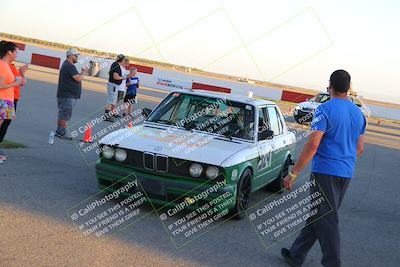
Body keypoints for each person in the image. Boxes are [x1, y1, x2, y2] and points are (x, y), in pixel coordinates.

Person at [281, 70, 366, 267]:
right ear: (348, 88)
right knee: (320, 213)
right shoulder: (358, 113)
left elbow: (312, 145)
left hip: (325, 171)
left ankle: (332, 263)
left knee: (327, 217)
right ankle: (296, 254)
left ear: (331, 86)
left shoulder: (324, 109)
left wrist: (294, 173)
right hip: (346, 172)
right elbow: (359, 149)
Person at [0, 41, 25, 162]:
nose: (17, 55)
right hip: (3, 100)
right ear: (9, 52)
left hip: (7, 101)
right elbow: (0, 85)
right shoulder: (3, 65)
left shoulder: (7, 65)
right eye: (16, 52)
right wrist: (15, 83)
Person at [56, 48, 87, 140]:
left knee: (63, 114)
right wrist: (84, 73)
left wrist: (81, 72)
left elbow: (76, 77)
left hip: (66, 94)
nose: (77, 57)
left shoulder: (68, 65)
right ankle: (62, 132)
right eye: (76, 55)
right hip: (67, 95)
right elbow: (77, 78)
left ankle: (60, 131)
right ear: (70, 56)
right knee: (64, 114)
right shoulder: (69, 66)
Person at [105, 54, 127, 122]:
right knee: (110, 100)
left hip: (113, 85)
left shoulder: (115, 65)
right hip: (113, 85)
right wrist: (123, 77)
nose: (124, 61)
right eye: (124, 59)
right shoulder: (116, 65)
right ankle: (107, 116)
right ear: (122, 60)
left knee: (112, 100)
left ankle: (110, 114)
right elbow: (116, 77)